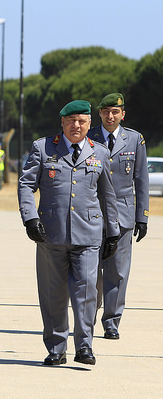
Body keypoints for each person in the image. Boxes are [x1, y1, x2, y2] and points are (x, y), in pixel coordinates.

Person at [18, 100, 119, 366]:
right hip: (50, 234)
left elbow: (108, 196)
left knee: (87, 293)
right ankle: (56, 348)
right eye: (71, 120)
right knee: (53, 295)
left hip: (88, 234)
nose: (76, 125)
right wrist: (30, 218)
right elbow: (26, 185)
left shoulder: (100, 152)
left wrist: (113, 233)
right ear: (62, 122)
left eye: (82, 121)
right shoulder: (44, 148)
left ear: (89, 125)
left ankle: (84, 346)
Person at [87, 93, 149, 340]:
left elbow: (141, 179)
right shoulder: (88, 137)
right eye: (105, 112)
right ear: (99, 114)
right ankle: (87, 318)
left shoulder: (134, 140)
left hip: (123, 216)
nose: (110, 116)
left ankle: (111, 321)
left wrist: (142, 215)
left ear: (123, 114)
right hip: (92, 214)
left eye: (115, 112)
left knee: (117, 272)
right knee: (88, 270)